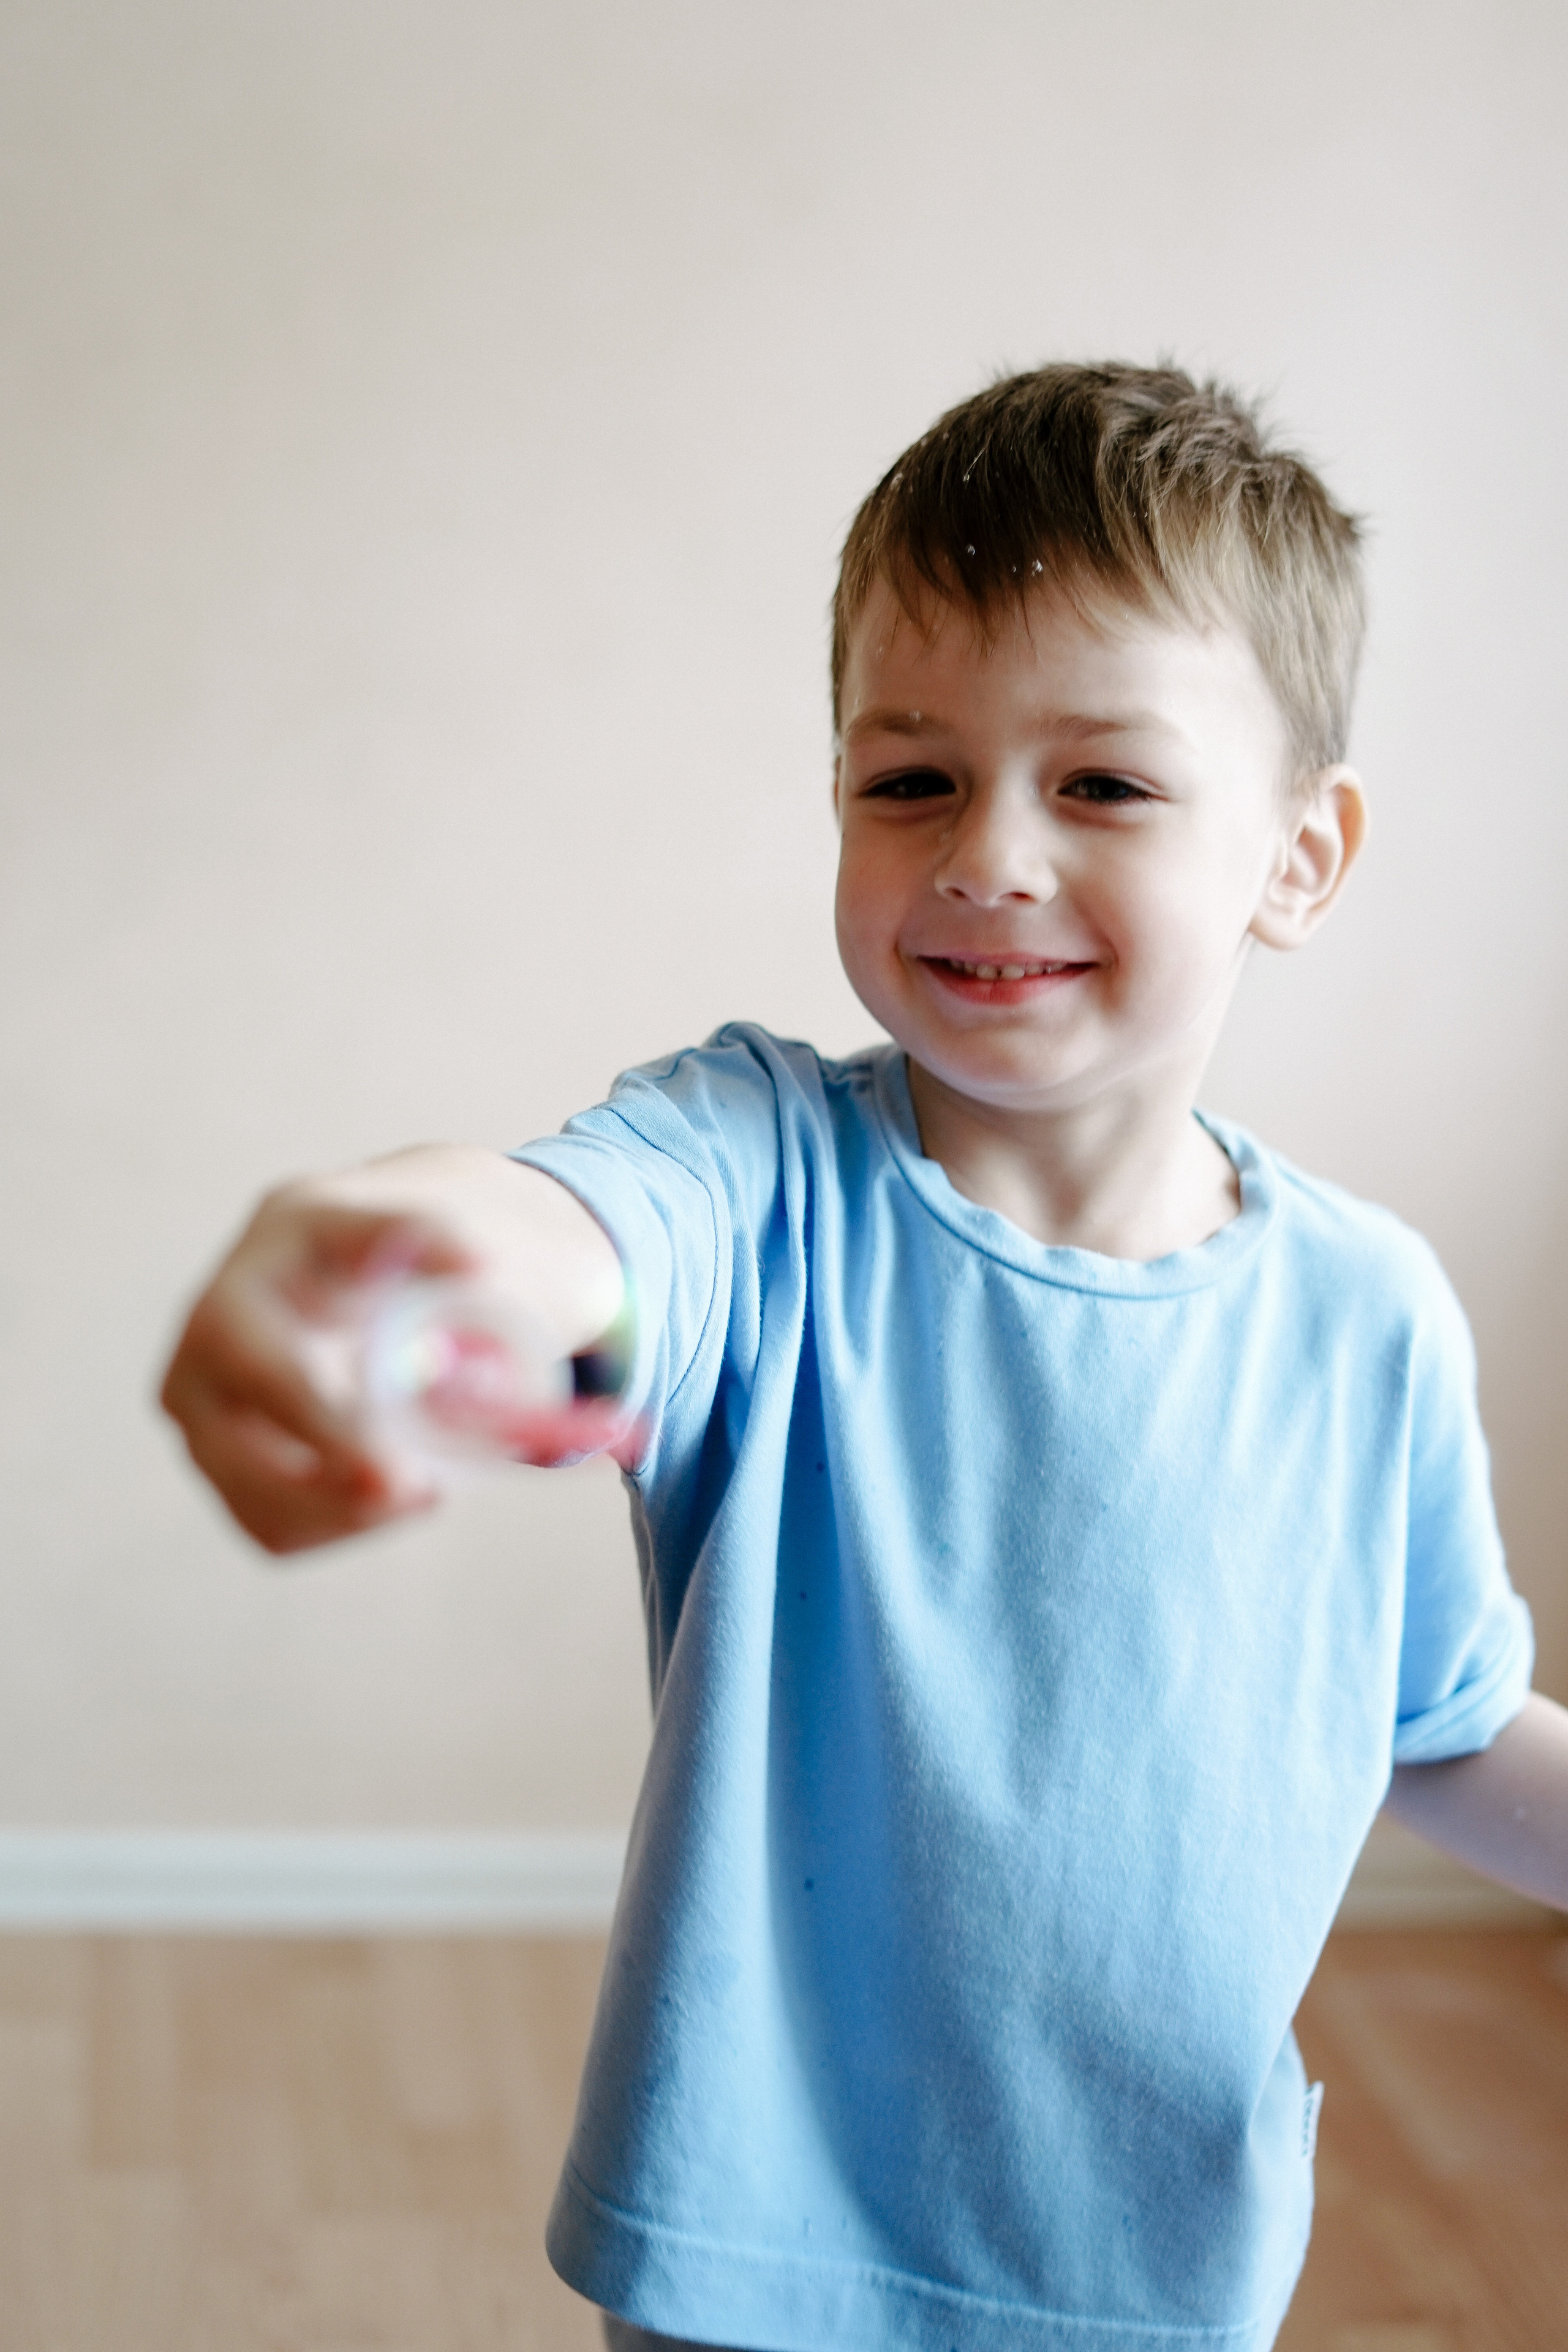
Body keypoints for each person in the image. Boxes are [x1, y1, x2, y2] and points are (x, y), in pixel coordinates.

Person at [160, 364, 1568, 2352]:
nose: (989, 853)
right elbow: (570, 1228)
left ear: (1299, 859)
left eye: (1104, 784)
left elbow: (1434, 1720)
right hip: (756, 2255)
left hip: (1163, 2268)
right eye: (911, 779)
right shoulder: (760, 1175)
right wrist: (399, 1252)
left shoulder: (1375, 1314)